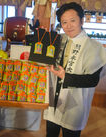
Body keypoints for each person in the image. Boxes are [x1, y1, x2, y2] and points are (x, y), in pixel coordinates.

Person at [43, 2, 106, 137]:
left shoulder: (94, 47)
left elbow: (92, 80)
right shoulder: (59, 40)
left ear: (82, 21)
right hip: (54, 100)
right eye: (64, 22)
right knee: (50, 133)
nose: (68, 26)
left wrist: (65, 76)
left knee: (70, 133)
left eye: (73, 20)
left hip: (75, 103)